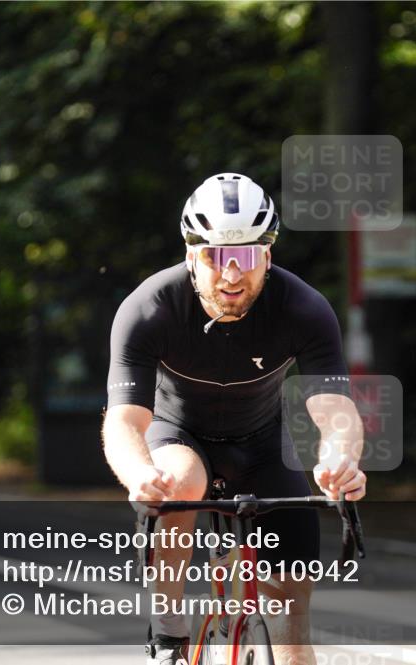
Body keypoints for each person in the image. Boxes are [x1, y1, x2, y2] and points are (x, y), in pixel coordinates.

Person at [103, 173, 367, 665]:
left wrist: (340, 460)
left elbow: (335, 411)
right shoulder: (148, 309)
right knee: (178, 481)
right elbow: (124, 420)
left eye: (245, 256)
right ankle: (169, 633)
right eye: (214, 256)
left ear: (268, 255)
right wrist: (139, 475)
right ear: (190, 256)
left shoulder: (303, 308)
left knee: (292, 626)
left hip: (262, 444)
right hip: (179, 436)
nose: (230, 274)